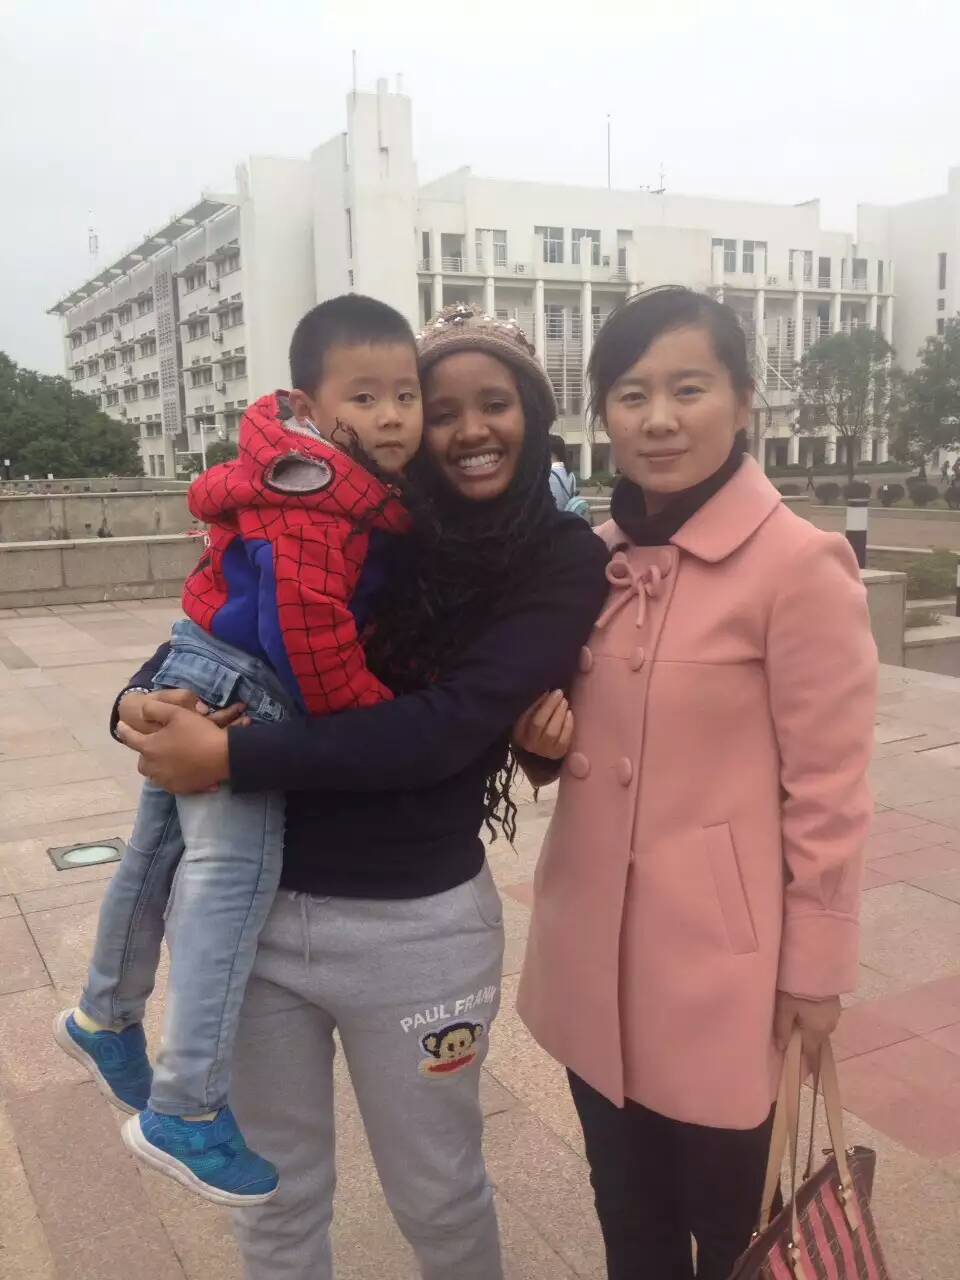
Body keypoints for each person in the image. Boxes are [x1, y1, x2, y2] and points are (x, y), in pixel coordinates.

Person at [109, 302, 609, 1280]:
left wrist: (232, 760)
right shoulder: (356, 510)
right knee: (274, 1198)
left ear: (535, 412)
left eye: (496, 403)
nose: (467, 430)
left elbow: (446, 728)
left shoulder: (557, 556)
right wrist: (138, 704)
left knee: (439, 1193)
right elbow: (223, 624)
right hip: (258, 916)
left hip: (417, 933)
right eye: (442, 408)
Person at [515, 287, 877, 1280]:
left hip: (720, 978)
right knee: (628, 1221)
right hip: (592, 961)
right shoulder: (592, 562)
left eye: (689, 388)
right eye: (632, 394)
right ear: (604, 414)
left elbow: (831, 789)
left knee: (735, 1235)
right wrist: (538, 742)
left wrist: (815, 971)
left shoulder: (799, 565)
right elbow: (563, 724)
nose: (659, 418)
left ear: (744, 399)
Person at [54, 295, 422, 1205]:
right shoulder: (321, 500)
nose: (390, 417)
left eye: (406, 395)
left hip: (199, 660)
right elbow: (309, 634)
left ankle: (105, 1013)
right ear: (307, 404)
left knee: (150, 859)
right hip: (244, 692)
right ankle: (186, 1106)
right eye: (365, 397)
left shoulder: (293, 472)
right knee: (229, 887)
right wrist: (370, 718)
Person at [548, 432, 591, 520]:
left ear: (551, 452)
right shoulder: (570, 474)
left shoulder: (548, 475)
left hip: (553, 521)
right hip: (567, 519)